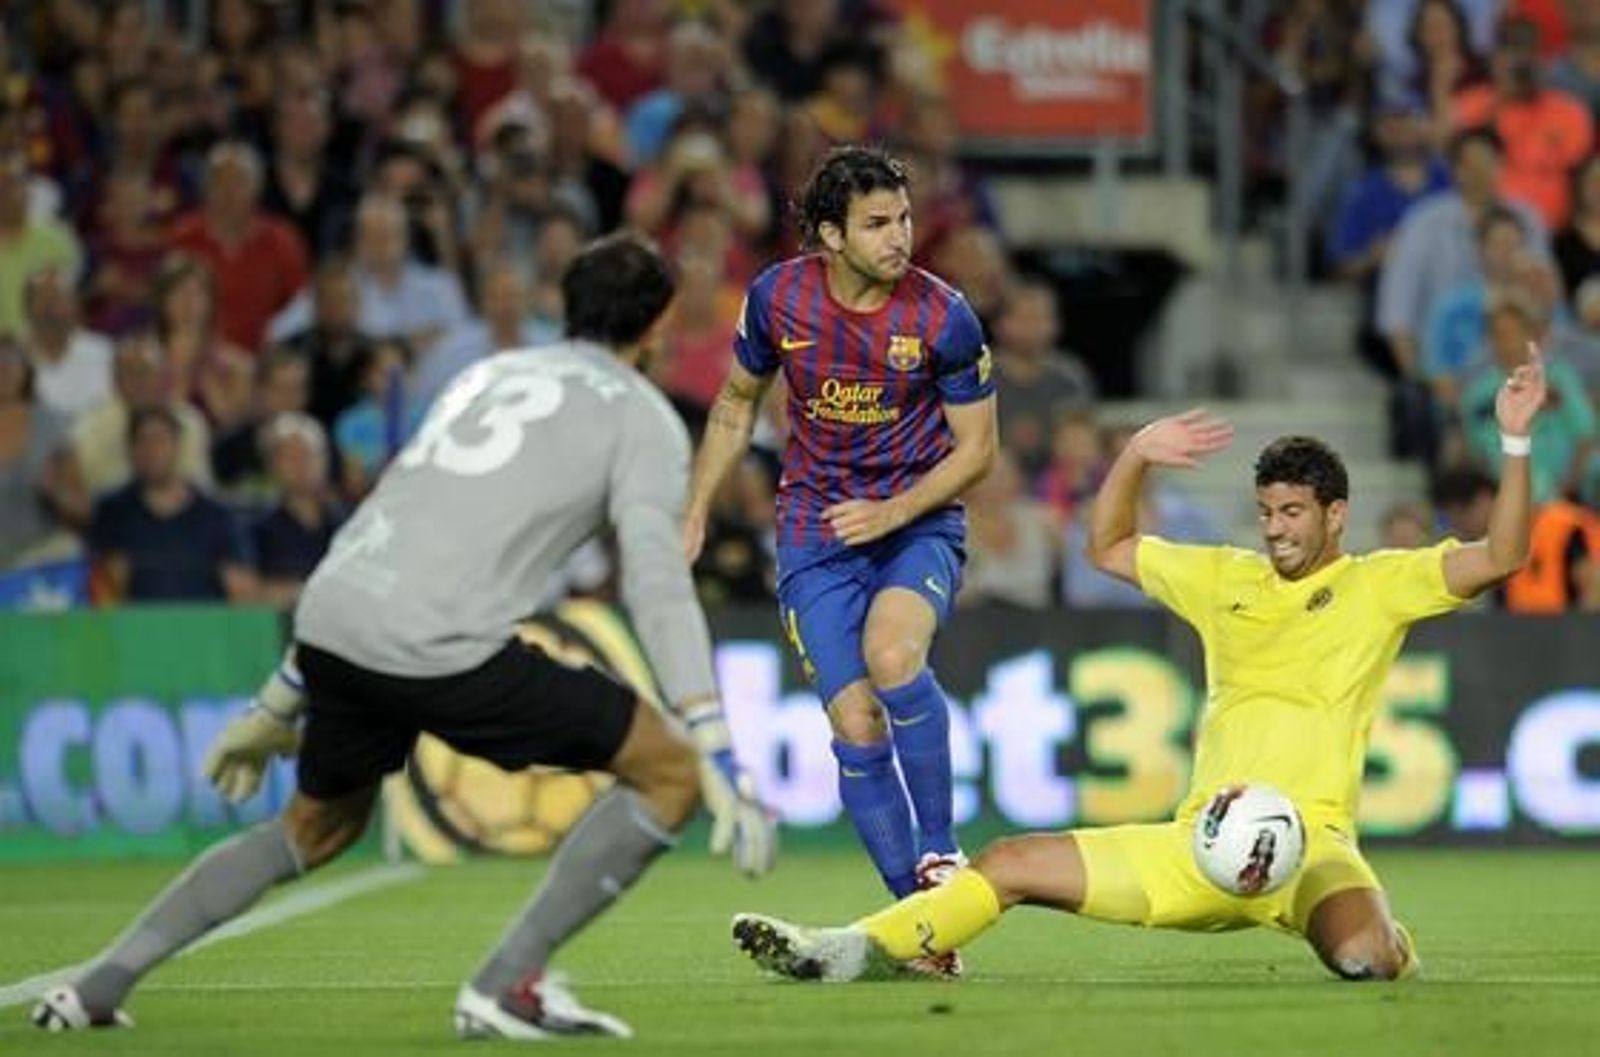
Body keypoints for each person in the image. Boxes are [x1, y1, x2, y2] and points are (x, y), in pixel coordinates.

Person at [33, 234, 776, 1039]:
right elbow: (658, 579)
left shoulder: (485, 376)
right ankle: (505, 984)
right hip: (440, 645)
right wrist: (712, 739)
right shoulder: (642, 417)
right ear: (660, 324)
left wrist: (280, 696)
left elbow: (383, 520)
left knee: (313, 827)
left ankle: (96, 987)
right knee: (666, 772)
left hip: (336, 620)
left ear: (563, 303)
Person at [728, 348, 1547, 985]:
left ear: (1336, 514)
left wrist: (1514, 440)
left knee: (1368, 959)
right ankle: (849, 947)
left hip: (1313, 848)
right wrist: (1136, 455)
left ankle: (1390, 937)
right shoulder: (1224, 576)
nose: (1276, 529)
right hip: (1200, 846)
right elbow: (1109, 546)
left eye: (1293, 512)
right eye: (1266, 512)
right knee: (1009, 861)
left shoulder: (1379, 583)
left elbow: (1506, 553)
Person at [683, 145, 997, 976]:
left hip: (914, 523)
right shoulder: (776, 298)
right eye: (877, 224)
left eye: (902, 218)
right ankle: (921, 927)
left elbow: (977, 451)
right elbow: (735, 404)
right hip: (815, 533)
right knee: (854, 722)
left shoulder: (943, 315)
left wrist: (893, 509)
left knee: (895, 657)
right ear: (830, 234)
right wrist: (695, 508)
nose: (900, 238)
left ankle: (939, 854)